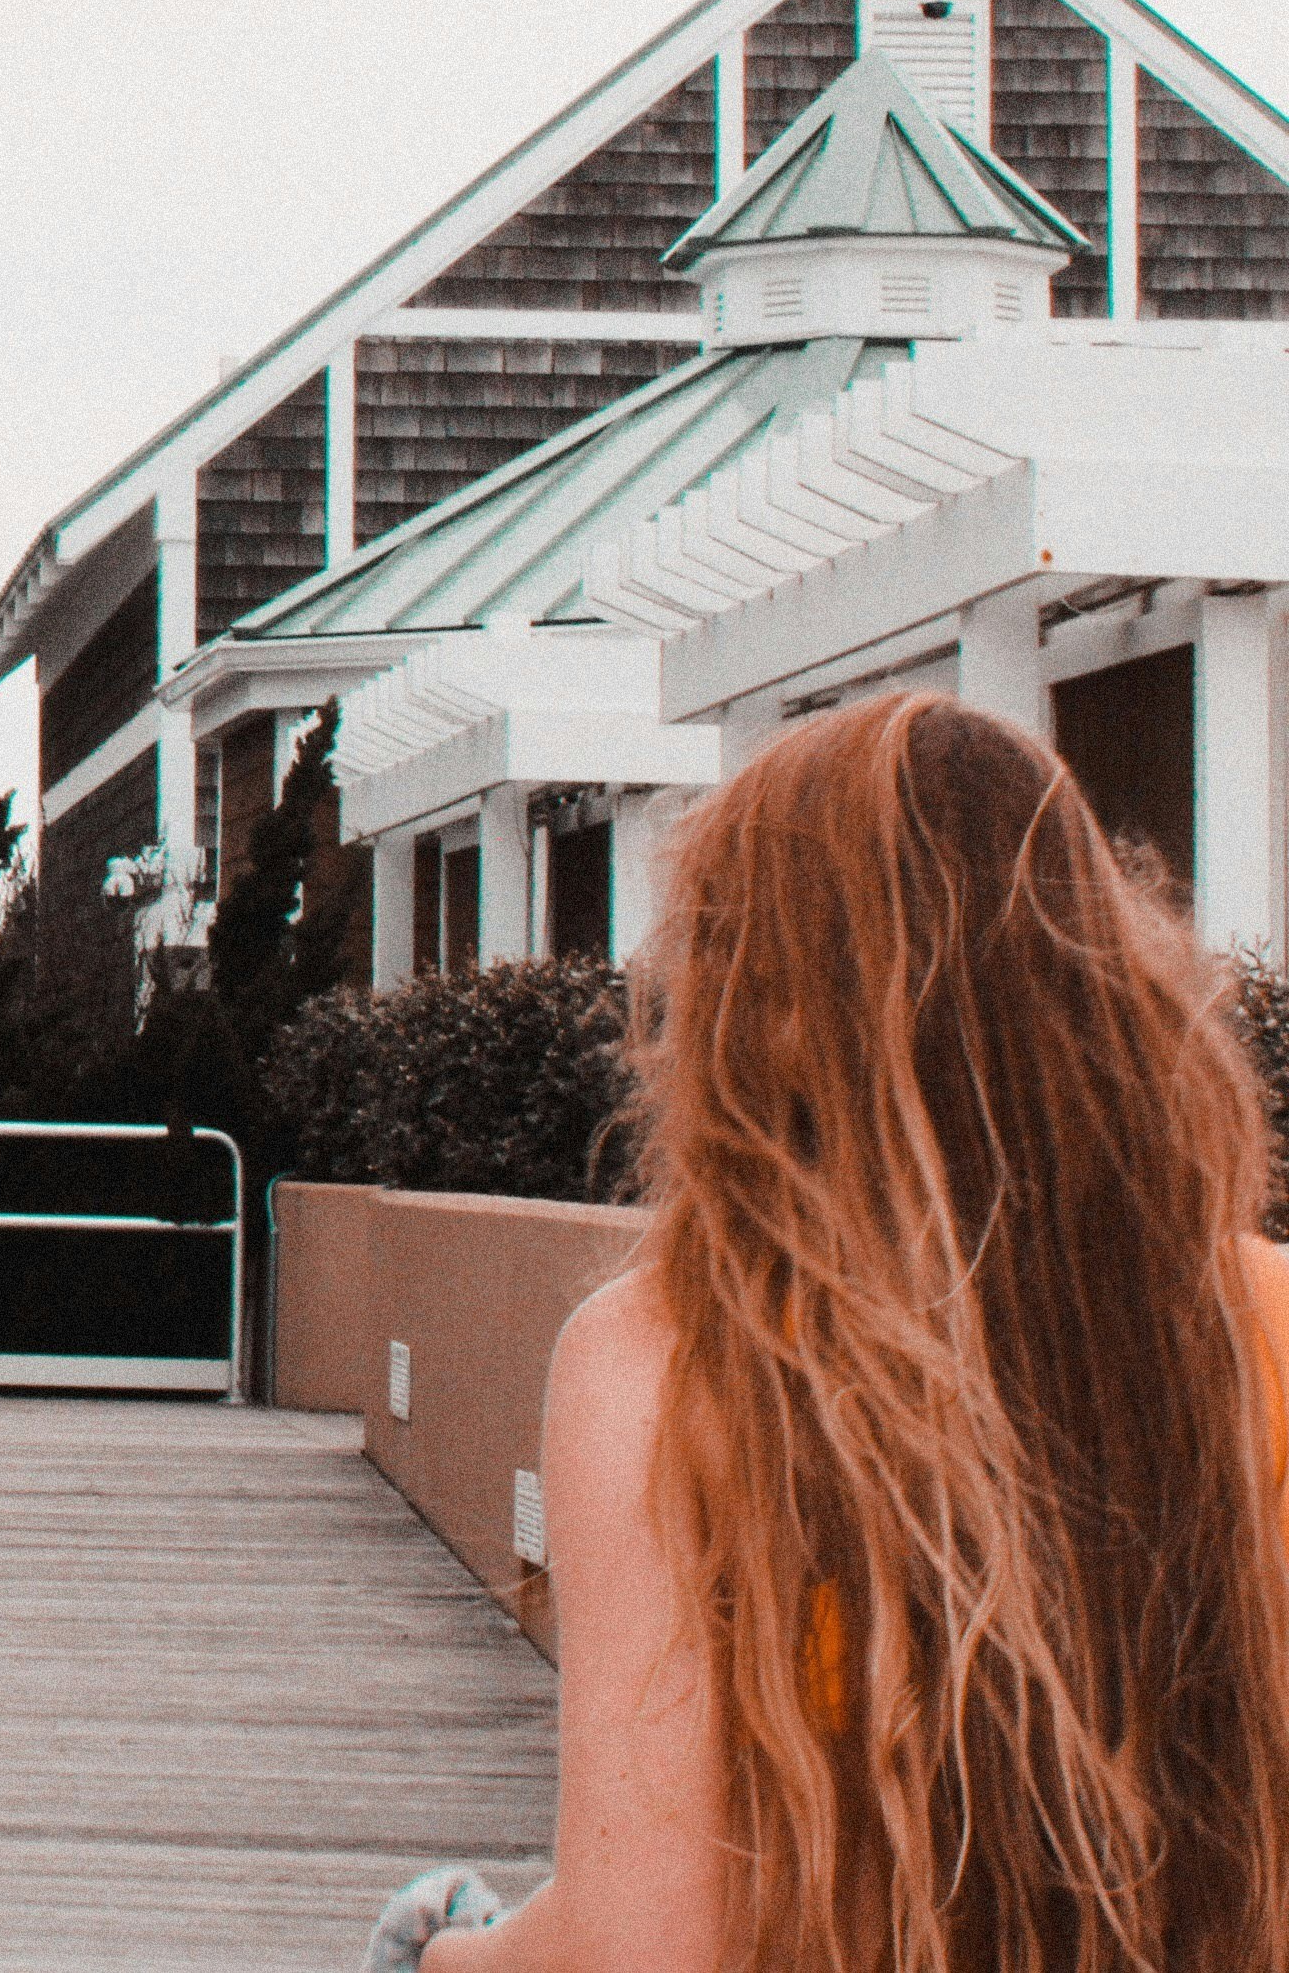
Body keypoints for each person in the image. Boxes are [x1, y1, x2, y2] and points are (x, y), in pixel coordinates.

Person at [370, 695, 1289, 1973]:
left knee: (433, 1929)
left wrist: (444, 1959)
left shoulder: (675, 1361)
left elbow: (649, 1947)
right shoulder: (1264, 1324)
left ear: (756, 1008)